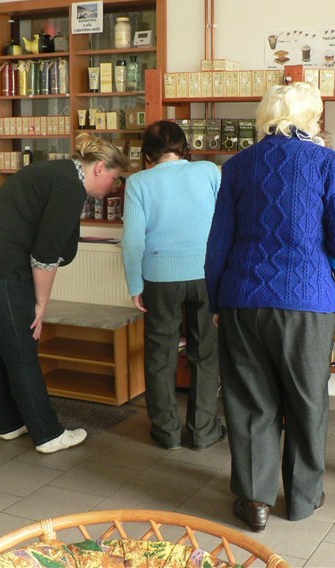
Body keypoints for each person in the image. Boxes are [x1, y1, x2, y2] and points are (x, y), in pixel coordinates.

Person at [205, 81, 335, 532]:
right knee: (308, 400)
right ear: (310, 118)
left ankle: (255, 501)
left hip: (242, 299)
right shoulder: (326, 162)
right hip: (308, 303)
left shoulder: (237, 166)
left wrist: (217, 300)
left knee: (250, 401)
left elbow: (217, 245)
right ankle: (302, 498)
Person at [0, 133, 128, 454]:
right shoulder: (69, 187)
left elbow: (54, 246)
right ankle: (48, 434)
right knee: (21, 346)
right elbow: (45, 257)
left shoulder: (58, 172)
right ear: (100, 167)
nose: (114, 187)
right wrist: (41, 304)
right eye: (114, 178)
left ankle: (9, 423)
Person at [121, 120, 225, 452]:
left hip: (159, 277)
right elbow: (225, 224)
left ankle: (166, 431)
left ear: (147, 154)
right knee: (205, 353)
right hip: (206, 274)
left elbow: (133, 241)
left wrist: (135, 284)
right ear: (184, 147)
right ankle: (203, 431)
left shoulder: (138, 182)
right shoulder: (209, 171)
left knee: (160, 354)